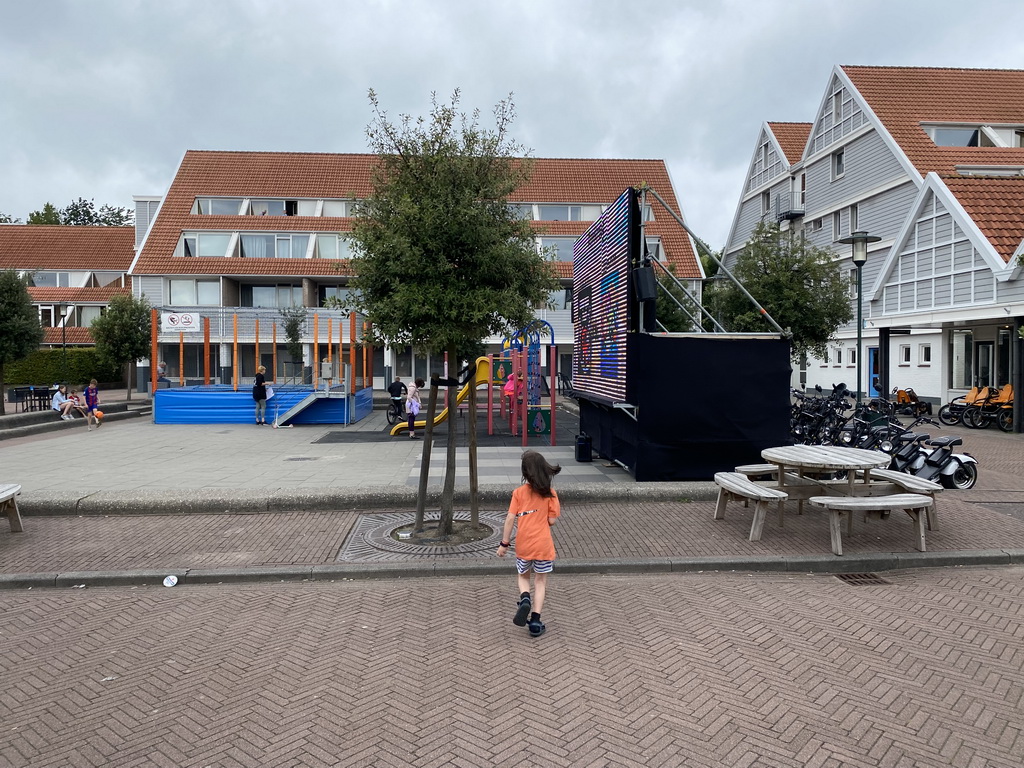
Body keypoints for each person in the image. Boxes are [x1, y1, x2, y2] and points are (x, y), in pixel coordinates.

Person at [497, 450, 562, 637]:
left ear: (525, 473)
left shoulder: (518, 493)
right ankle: (535, 620)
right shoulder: (551, 494)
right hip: (543, 545)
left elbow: (510, 518)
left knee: (523, 576)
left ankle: (524, 598)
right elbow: (551, 521)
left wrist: (504, 543)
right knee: (540, 581)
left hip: (523, 545)